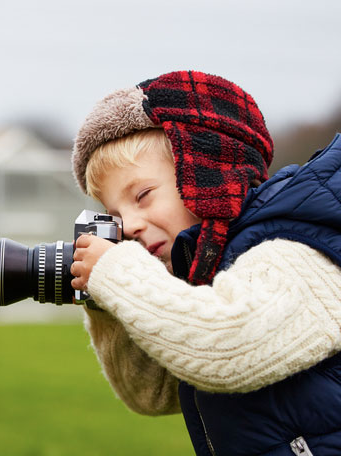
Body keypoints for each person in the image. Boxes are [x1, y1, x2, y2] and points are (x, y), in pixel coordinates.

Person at [68, 70, 341, 455]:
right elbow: (152, 395)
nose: (128, 225)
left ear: (207, 171)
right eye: (114, 213)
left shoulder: (295, 249)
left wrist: (118, 273)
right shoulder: (210, 270)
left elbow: (229, 347)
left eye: (143, 195)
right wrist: (106, 304)